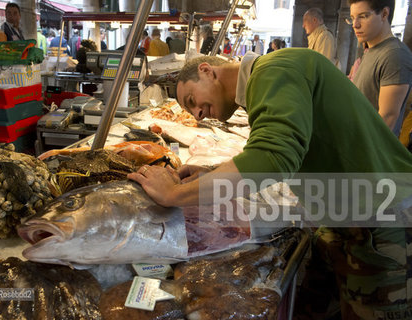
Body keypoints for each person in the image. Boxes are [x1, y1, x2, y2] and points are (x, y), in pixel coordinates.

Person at [128, 49, 412, 318]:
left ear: (207, 71)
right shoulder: (265, 83)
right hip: (340, 215)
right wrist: (213, 172)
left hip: (382, 214)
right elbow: (288, 152)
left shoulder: (273, 71)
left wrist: (175, 194)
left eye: (191, 100)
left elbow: (273, 159)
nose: (197, 115)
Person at [349, 0, 412, 137]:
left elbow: (387, 119)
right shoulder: (371, 49)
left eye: (363, 16)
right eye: (353, 18)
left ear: (384, 14)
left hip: (368, 152)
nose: (355, 25)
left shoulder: (394, 54)